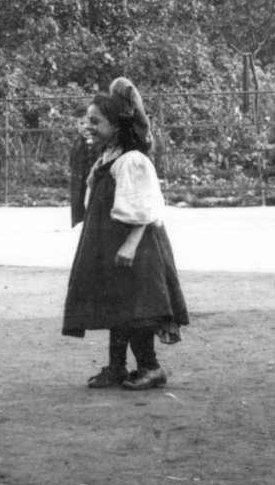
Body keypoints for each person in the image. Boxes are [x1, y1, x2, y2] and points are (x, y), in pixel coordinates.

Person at [64, 78, 189, 392]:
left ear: (116, 126)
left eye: (96, 121)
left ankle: (150, 367)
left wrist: (131, 245)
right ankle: (117, 367)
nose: (88, 126)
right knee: (118, 306)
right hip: (112, 244)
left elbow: (146, 208)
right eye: (86, 120)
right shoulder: (108, 156)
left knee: (138, 310)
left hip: (137, 246)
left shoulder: (132, 160)